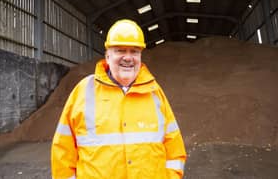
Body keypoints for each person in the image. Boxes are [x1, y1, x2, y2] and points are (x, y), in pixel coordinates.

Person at [51, 19, 187, 179]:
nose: (128, 58)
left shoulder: (154, 92)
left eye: (134, 51)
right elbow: (63, 153)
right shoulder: (83, 91)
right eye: (120, 51)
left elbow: (174, 149)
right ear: (108, 56)